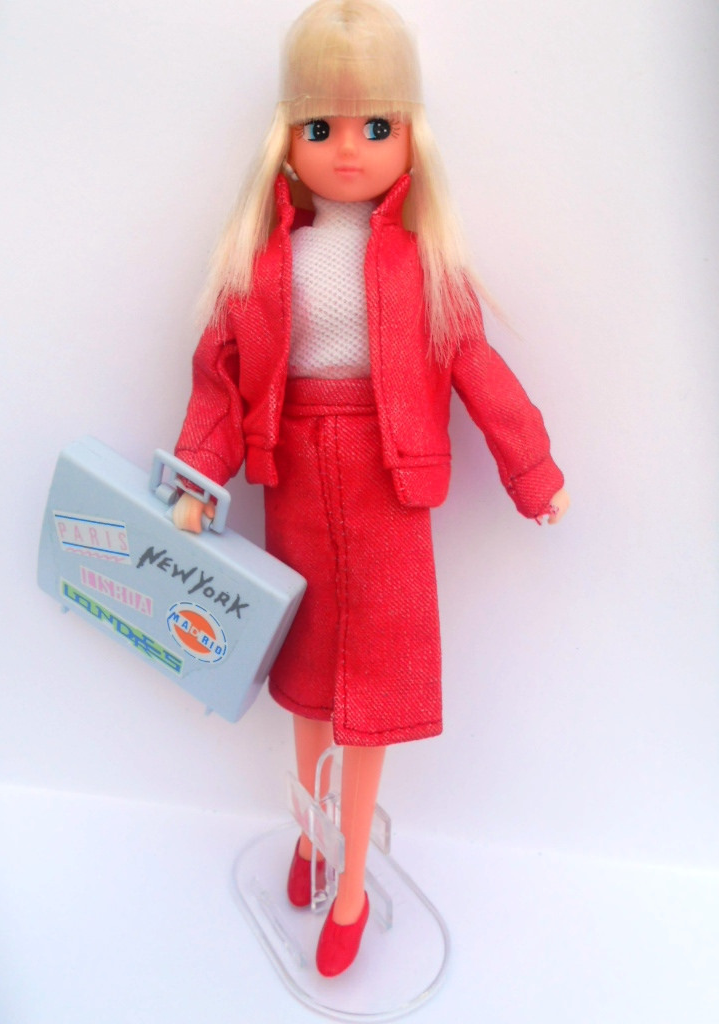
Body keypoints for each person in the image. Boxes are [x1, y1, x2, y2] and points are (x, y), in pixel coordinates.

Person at [171, 0, 569, 976]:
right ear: (287, 140)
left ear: (410, 136)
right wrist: (196, 476)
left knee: (374, 691)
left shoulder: (422, 264)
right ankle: (310, 837)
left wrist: (533, 471)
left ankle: (351, 882)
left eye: (375, 125)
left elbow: (479, 371)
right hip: (295, 478)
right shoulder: (264, 263)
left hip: (392, 488)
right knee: (308, 679)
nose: (348, 149)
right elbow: (220, 377)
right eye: (321, 127)